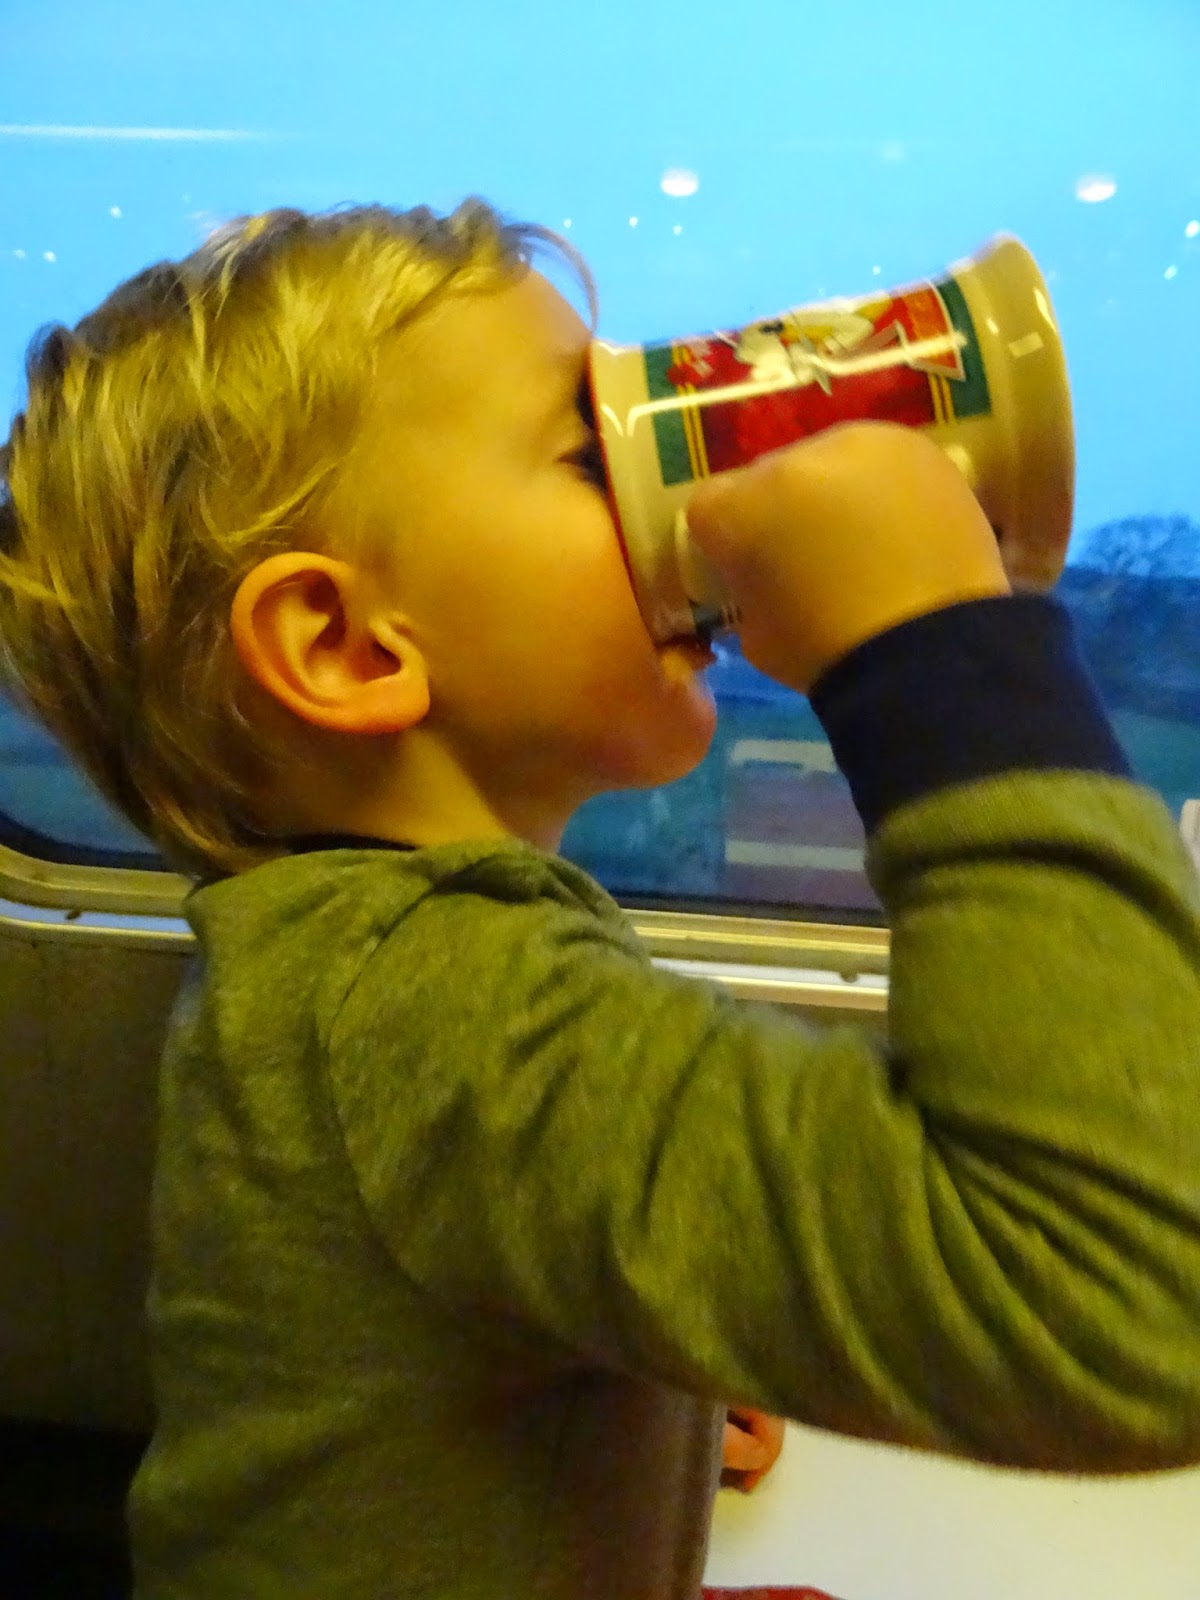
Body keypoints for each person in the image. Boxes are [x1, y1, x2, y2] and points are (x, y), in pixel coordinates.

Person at [0, 201, 1197, 1600]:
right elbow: (1130, 1290)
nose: (676, 495)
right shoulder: (439, 1006)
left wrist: (636, 1354)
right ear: (344, 645)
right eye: (591, 457)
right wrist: (937, 653)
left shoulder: (352, 955)